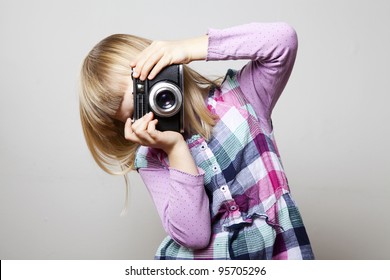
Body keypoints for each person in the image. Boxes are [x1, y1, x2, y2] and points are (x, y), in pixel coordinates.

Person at [79, 22, 315, 260]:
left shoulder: (242, 97)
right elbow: (194, 236)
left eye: (146, 93)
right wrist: (174, 148)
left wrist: (188, 49)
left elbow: (283, 39)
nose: (153, 108)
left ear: (160, 67)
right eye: (135, 113)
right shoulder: (152, 158)